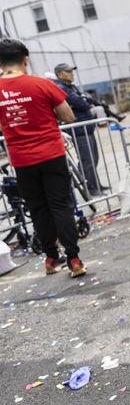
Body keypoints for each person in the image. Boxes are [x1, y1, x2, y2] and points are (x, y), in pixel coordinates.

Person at [0, 39, 86, 277]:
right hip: (51, 154)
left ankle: (50, 259)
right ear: (25, 60)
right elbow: (68, 117)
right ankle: (74, 260)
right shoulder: (42, 83)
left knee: (38, 209)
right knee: (61, 205)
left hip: (21, 160)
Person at [53, 63, 107, 196]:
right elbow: (81, 103)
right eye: (68, 71)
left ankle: (96, 184)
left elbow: (86, 99)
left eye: (72, 70)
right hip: (79, 130)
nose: (72, 73)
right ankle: (90, 188)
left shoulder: (70, 86)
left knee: (93, 158)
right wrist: (84, 99)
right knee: (87, 160)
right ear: (60, 74)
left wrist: (85, 98)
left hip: (86, 128)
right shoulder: (61, 88)